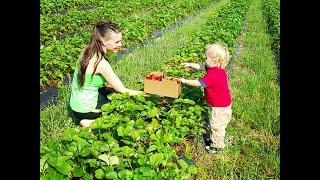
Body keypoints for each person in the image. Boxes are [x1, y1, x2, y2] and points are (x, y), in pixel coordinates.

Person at [69, 21, 144, 127]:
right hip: (86, 110)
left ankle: (83, 118)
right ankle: (89, 122)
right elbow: (122, 90)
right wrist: (147, 94)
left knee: (109, 91)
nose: (121, 44)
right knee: (121, 115)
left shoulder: (87, 51)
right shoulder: (101, 63)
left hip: (75, 106)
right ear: (103, 41)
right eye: (117, 42)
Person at [179, 43, 232, 153]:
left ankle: (217, 146)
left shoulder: (215, 75)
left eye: (206, 57)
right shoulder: (215, 67)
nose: (205, 58)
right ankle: (216, 139)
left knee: (217, 126)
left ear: (214, 60)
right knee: (216, 122)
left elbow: (199, 83)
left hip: (220, 107)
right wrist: (191, 64)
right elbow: (203, 66)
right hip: (218, 103)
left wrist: (184, 81)